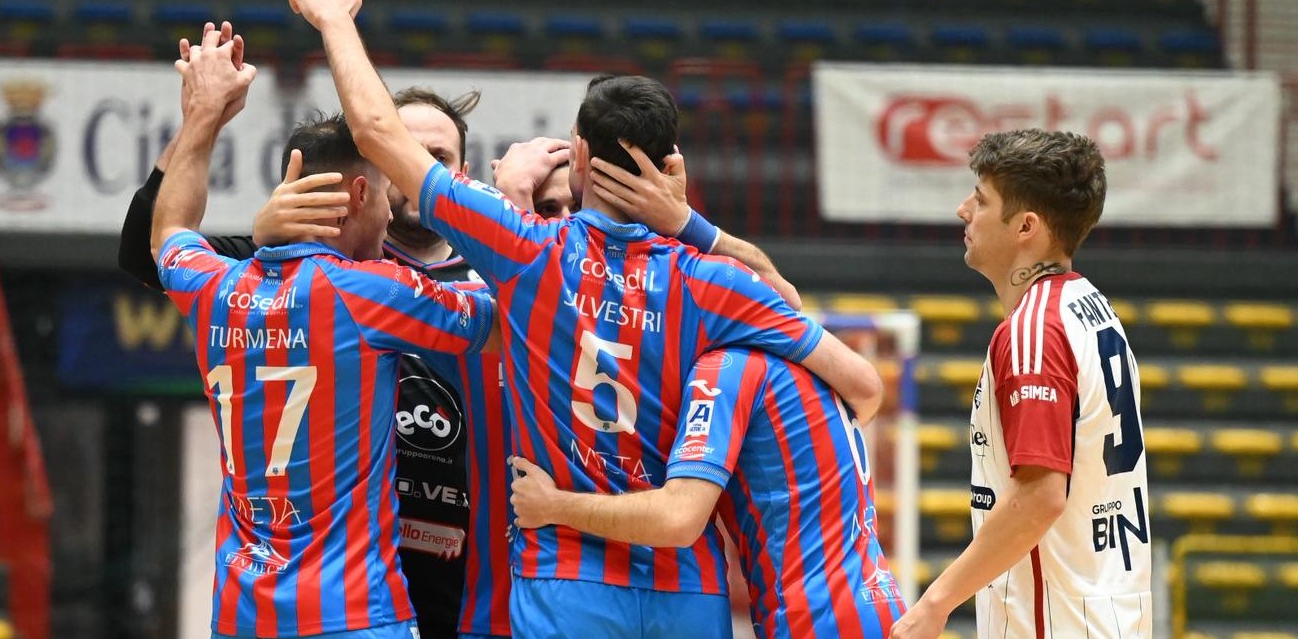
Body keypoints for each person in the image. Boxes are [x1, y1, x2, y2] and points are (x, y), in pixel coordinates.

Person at [291, 1, 885, 636]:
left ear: (578, 153)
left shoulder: (529, 252)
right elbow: (860, 383)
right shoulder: (712, 280)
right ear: (670, 165)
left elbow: (378, 133)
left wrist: (336, 22)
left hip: (566, 576)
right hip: (686, 586)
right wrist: (689, 224)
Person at [153, 29, 496, 639]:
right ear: (360, 193)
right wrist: (511, 204)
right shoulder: (372, 292)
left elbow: (167, 234)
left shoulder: (214, 284)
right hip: (353, 612)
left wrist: (203, 114)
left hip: (242, 615)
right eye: (384, 194)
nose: (390, 212)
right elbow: (509, 321)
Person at [889, 130, 1152, 639]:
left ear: (1026, 226)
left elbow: (1040, 498)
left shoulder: (1036, 329)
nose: (964, 210)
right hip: (1110, 615)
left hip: (1057, 624)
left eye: (981, 200)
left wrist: (934, 605)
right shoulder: (1091, 307)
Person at [509, 346, 908, 638]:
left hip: (819, 618)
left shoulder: (727, 367)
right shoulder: (810, 366)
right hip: (879, 600)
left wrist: (554, 505)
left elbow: (678, 519)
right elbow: (871, 392)